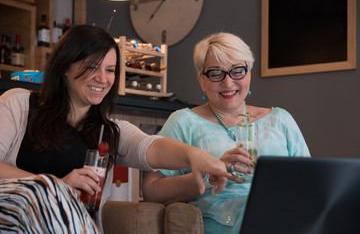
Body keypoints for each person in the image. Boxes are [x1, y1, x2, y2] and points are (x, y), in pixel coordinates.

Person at [0, 25, 232, 233]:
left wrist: (195, 156)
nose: (102, 78)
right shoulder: (19, 105)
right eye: (92, 67)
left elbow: (152, 148)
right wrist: (55, 185)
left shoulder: (110, 131)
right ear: (64, 67)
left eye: (110, 70)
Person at [142, 32, 311, 234]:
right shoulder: (184, 122)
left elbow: (310, 182)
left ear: (248, 73)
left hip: (285, 212)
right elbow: (152, 190)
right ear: (201, 79)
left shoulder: (281, 119)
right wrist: (209, 173)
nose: (228, 83)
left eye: (237, 71)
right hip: (225, 219)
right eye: (215, 73)